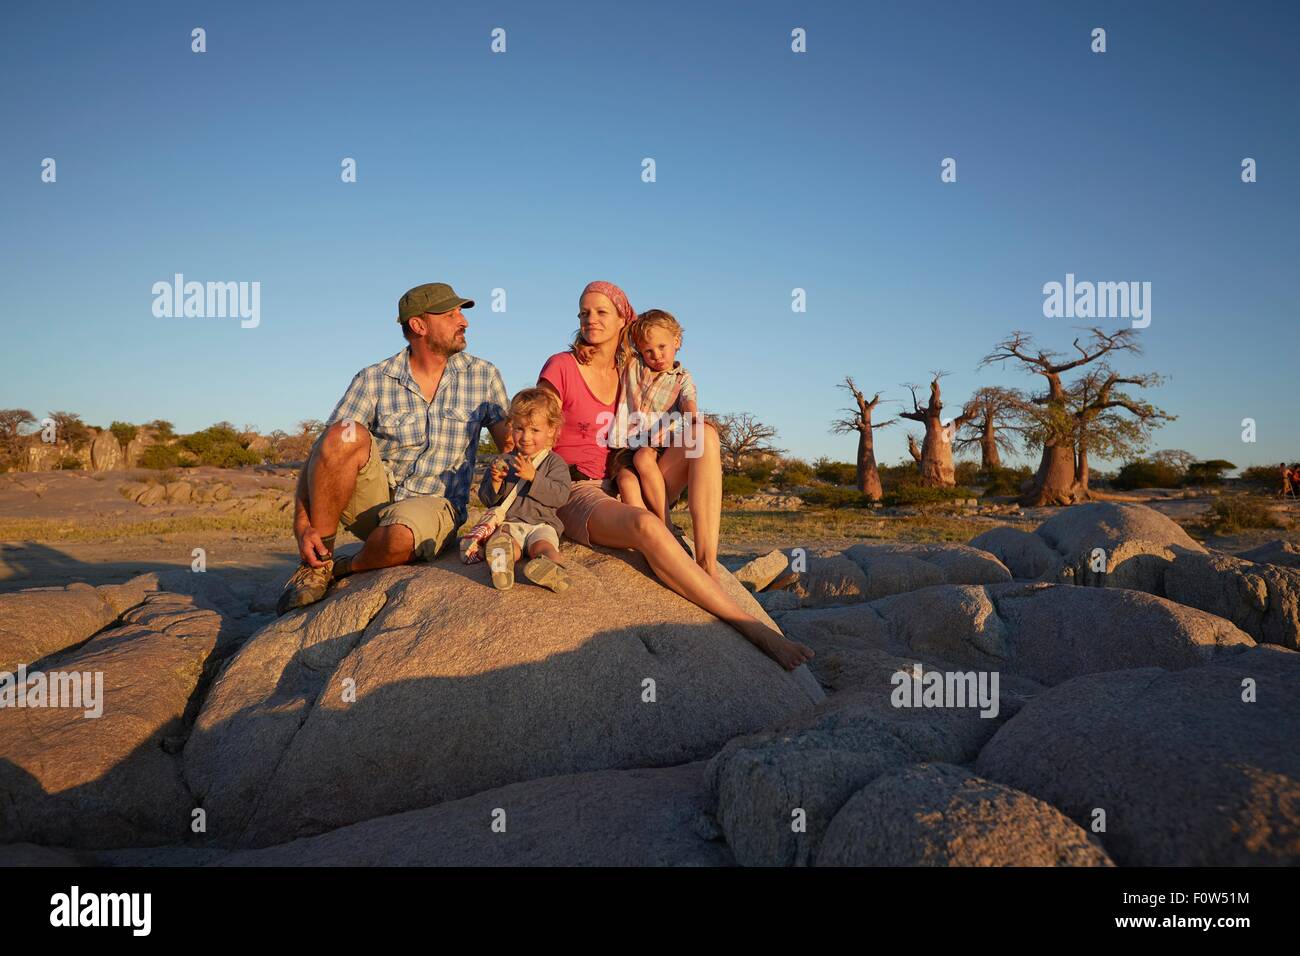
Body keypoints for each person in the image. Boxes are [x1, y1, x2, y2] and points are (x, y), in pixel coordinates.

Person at [536, 280, 814, 671]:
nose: (589, 319)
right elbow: (536, 422)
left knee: (705, 435)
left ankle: (706, 563)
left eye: (600, 312)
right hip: (578, 487)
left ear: (623, 320)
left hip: (628, 472)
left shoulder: (633, 369)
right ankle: (753, 629)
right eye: (583, 312)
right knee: (647, 527)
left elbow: (671, 404)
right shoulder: (562, 366)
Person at [277, 282, 511, 614]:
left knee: (400, 536)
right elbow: (323, 455)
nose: (464, 321)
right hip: (375, 500)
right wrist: (303, 526)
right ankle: (319, 561)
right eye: (451, 314)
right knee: (342, 433)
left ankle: (347, 566)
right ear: (419, 325)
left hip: (434, 505)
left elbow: (515, 449)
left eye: (461, 312)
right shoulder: (374, 378)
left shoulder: (484, 376)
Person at [607, 309, 699, 526]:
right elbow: (619, 341)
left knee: (643, 458)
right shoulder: (634, 365)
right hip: (625, 445)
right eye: (648, 350)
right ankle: (645, 529)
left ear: (676, 341)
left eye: (661, 347)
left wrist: (693, 417)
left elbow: (688, 400)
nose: (656, 355)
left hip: (657, 446)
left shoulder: (681, 378)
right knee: (626, 481)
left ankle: (665, 525)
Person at [476, 388, 573, 592]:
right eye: (519, 429)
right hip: (510, 523)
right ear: (511, 427)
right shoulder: (503, 461)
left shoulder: (555, 463)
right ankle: (502, 564)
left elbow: (560, 496)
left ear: (551, 430)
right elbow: (487, 499)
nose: (526, 437)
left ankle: (553, 568)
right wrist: (494, 483)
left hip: (542, 524)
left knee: (544, 546)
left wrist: (534, 478)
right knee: (507, 544)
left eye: (535, 430)